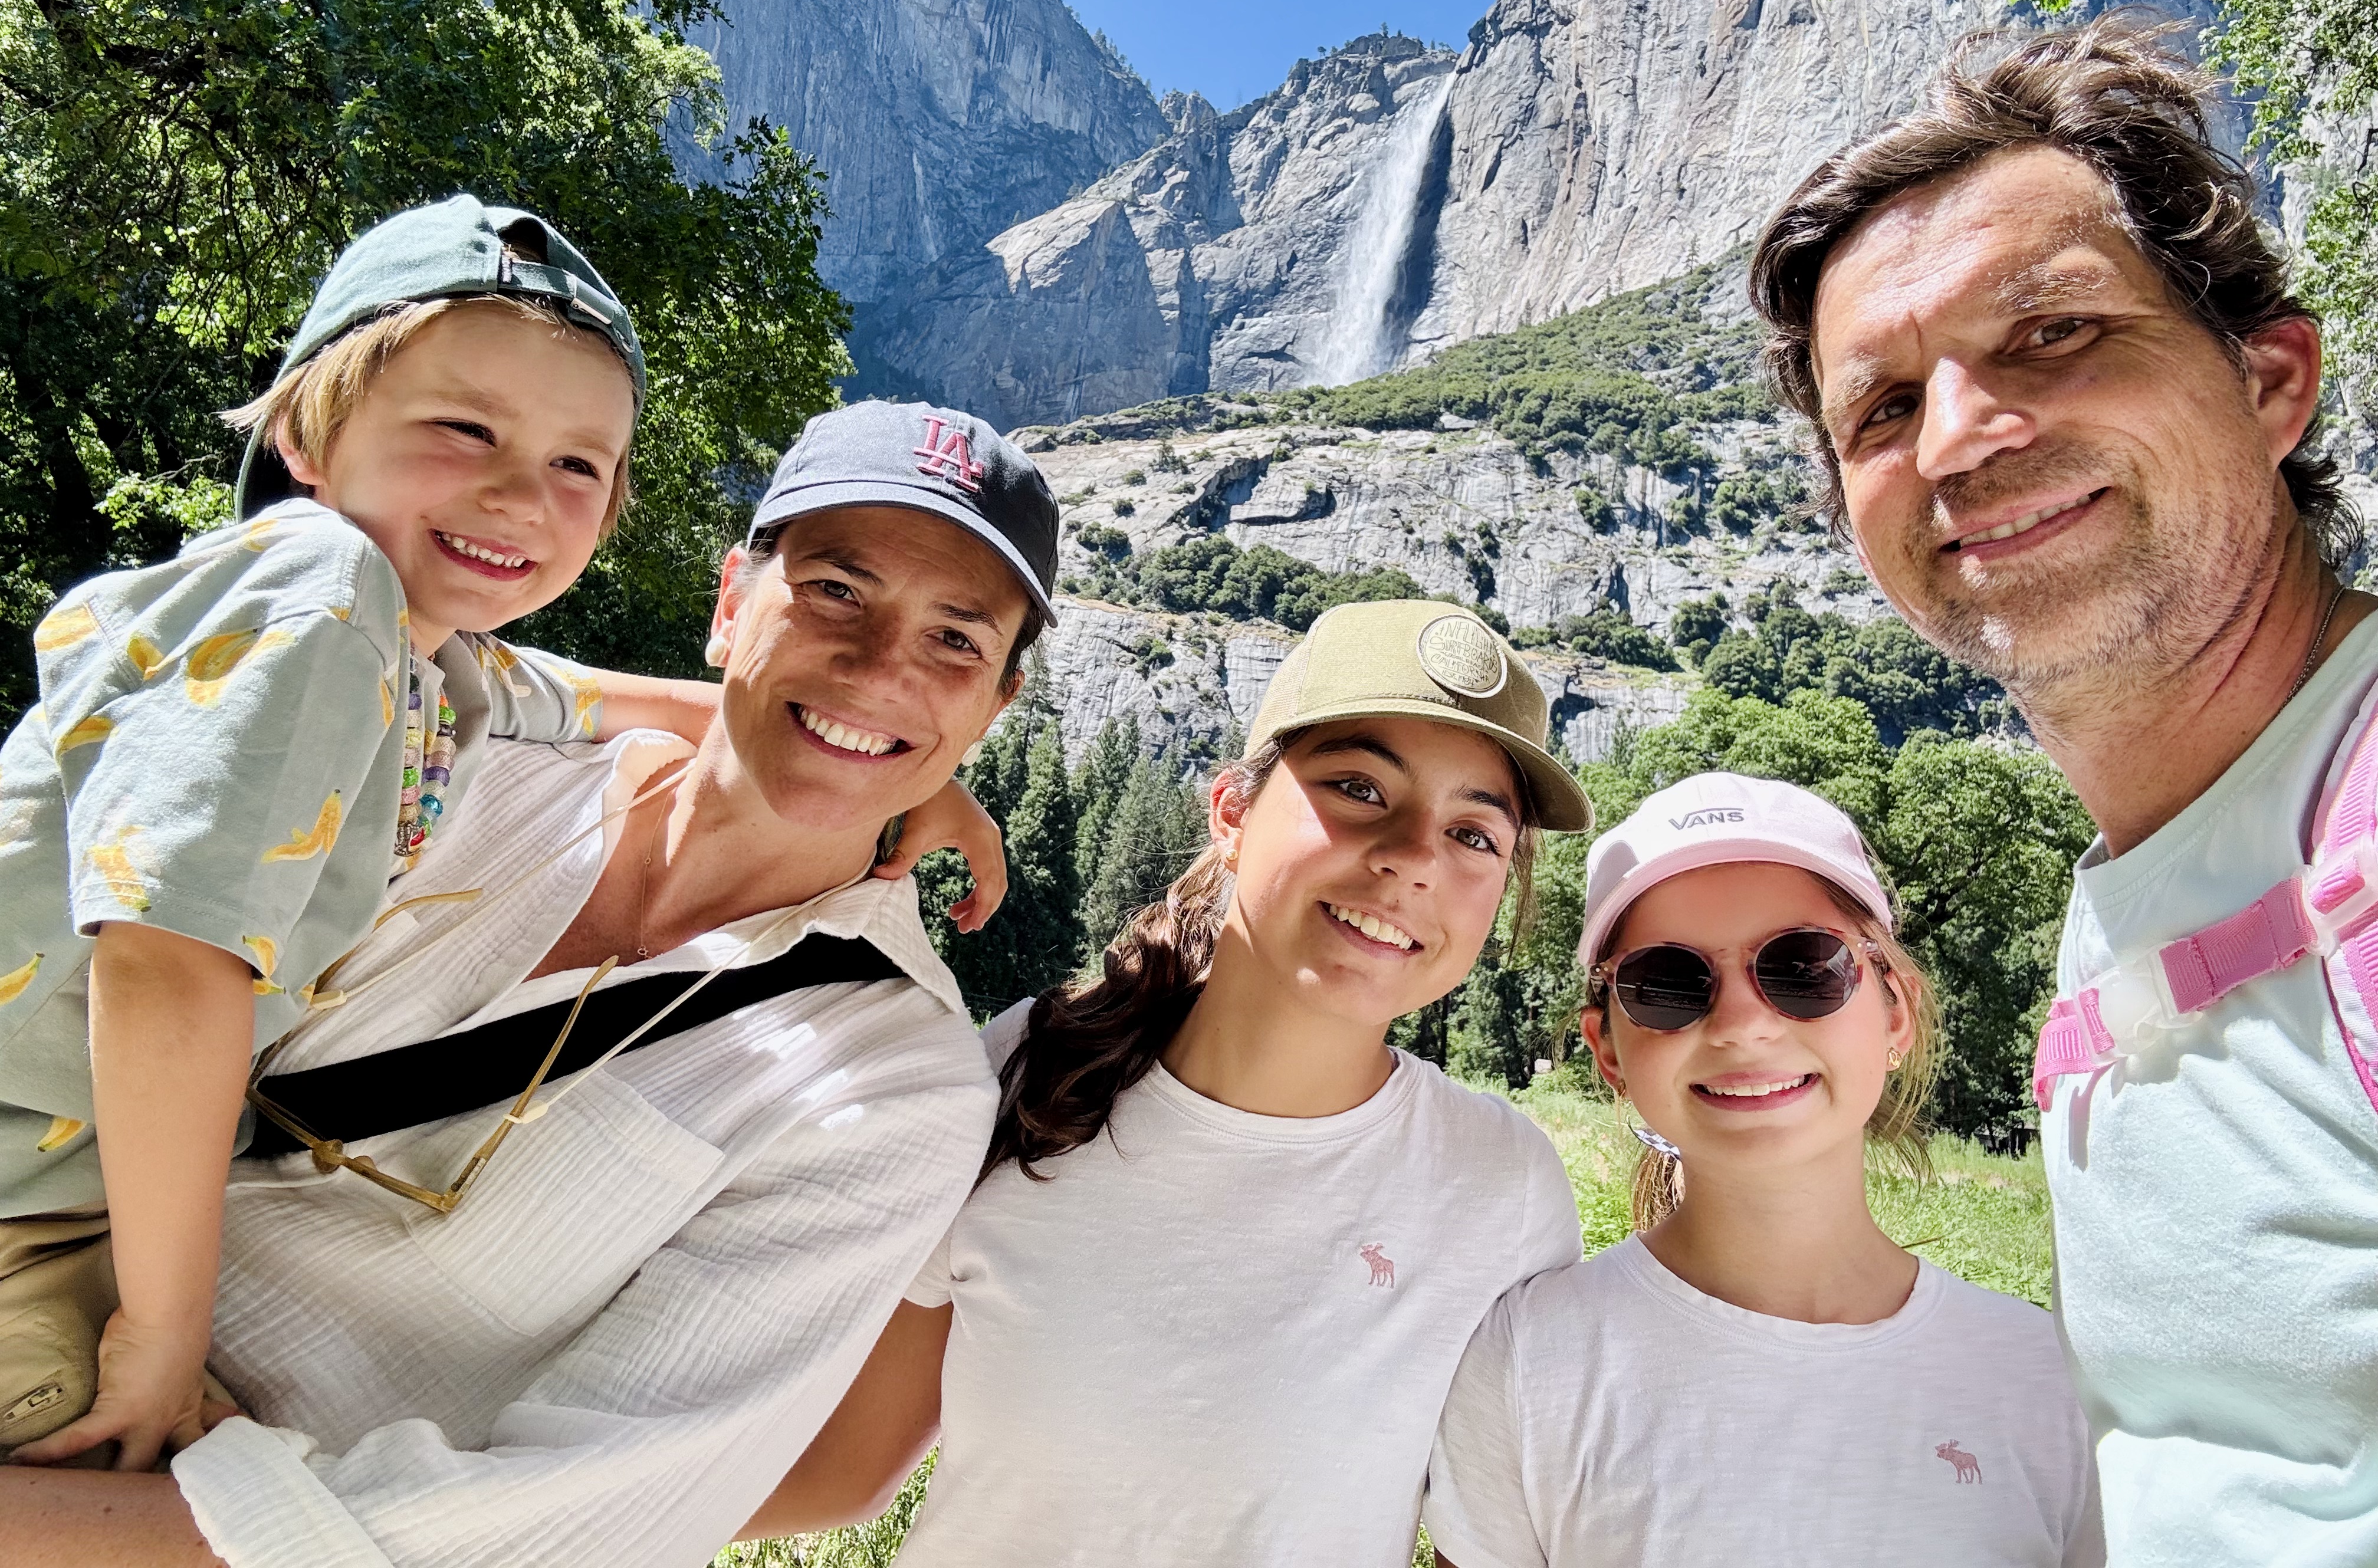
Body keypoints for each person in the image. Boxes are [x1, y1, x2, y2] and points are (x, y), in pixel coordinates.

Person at [0, 396, 1052, 1567]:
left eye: (957, 644)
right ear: (729, 603)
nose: (880, 667)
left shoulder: (890, 1097)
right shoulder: (452, 759)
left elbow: (554, 1527)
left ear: (994, 708)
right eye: (838, 591)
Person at [1748, 17, 2378, 1563]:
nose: (1960, 440)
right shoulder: (2137, 888)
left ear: (2273, 382)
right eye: (1885, 409)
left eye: (2054, 331)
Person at [742, 598, 1595, 1567]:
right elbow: (845, 1466)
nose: (1413, 860)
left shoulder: (1503, 1191)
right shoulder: (1029, 1067)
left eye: (1475, 836)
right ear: (1232, 813)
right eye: (1360, 787)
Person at [1423, 771, 2101, 1567]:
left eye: (1804, 967)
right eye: (1668, 984)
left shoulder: (2054, 1383)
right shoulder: (1526, 1365)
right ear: (1609, 1050)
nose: (1743, 1025)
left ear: (1896, 1012)